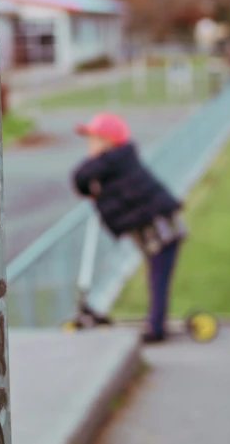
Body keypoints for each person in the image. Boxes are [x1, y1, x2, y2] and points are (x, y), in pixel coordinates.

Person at [73, 113, 187, 343]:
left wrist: (90, 191)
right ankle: (155, 322)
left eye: (93, 140)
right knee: (155, 275)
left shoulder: (114, 160)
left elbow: (80, 176)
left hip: (162, 230)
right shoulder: (113, 163)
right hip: (154, 231)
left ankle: (156, 328)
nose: (89, 145)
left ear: (108, 142)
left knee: (158, 276)